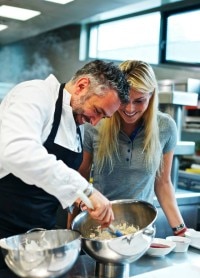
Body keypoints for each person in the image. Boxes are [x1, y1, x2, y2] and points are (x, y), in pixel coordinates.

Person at [0, 59, 130, 243]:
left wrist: (80, 199)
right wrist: (86, 190)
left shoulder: (77, 120)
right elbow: (17, 151)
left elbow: (51, 175)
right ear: (82, 85)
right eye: (97, 110)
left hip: (38, 232)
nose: (94, 122)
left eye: (103, 117)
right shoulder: (35, 93)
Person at [79, 60, 187, 237]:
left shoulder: (166, 127)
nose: (130, 109)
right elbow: (80, 177)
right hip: (100, 228)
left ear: (151, 96)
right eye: (124, 100)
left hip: (142, 230)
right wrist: (72, 231)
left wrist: (181, 230)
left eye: (139, 101)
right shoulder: (96, 123)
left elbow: (163, 183)